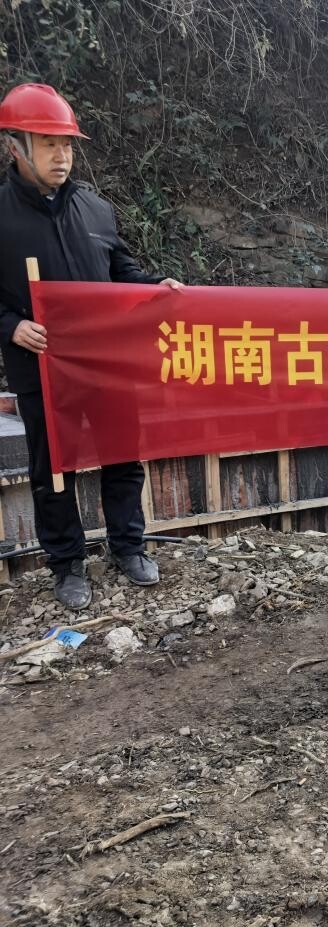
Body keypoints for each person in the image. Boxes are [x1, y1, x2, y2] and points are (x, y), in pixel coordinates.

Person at [0, 83, 184, 609]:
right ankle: (67, 564)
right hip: (41, 368)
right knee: (53, 469)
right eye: (49, 144)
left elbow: (121, 271)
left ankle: (129, 547)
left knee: (123, 455)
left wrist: (154, 287)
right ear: (15, 146)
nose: (62, 156)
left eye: (67, 145)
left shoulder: (95, 209)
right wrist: (11, 326)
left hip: (107, 362)